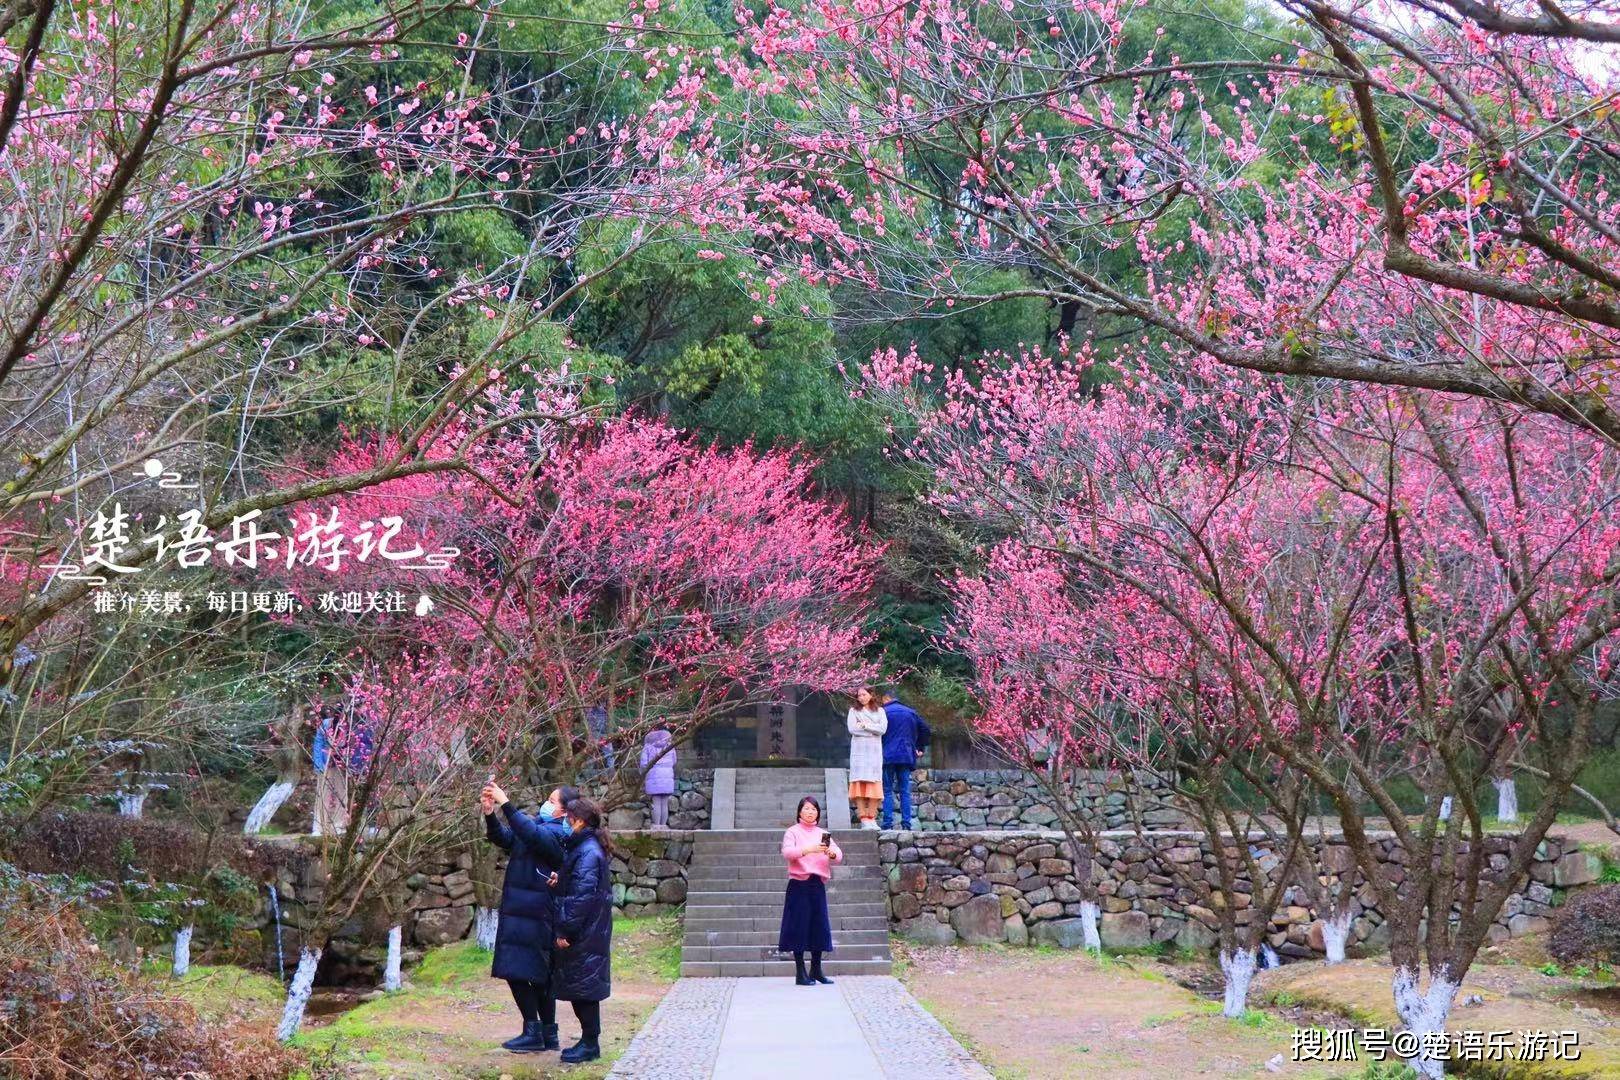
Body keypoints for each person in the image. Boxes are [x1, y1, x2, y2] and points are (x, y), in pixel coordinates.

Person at [481, 780, 572, 1054]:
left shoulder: (559, 834)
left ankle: (533, 1029)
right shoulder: (538, 827)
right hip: (524, 909)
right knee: (535, 973)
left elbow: (530, 835)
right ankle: (547, 1034)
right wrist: (490, 815)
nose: (547, 804)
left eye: (552, 801)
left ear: (565, 811)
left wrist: (505, 803)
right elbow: (507, 838)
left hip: (536, 911)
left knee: (517, 969)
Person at [550, 796, 615, 1064]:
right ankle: (588, 1040)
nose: (564, 822)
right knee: (582, 986)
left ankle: (590, 1043)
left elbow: (582, 897)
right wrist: (560, 880)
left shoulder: (588, 852)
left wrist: (565, 930)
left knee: (584, 987)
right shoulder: (584, 848)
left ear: (578, 821)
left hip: (584, 932)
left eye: (568, 818)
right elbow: (578, 887)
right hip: (589, 930)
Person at [779, 795, 843, 985]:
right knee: (798, 927)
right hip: (799, 884)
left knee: (819, 926)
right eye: (806, 808)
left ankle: (816, 969)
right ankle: (800, 972)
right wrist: (809, 849)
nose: (810, 812)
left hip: (817, 884)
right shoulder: (792, 832)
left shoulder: (823, 833)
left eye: (813, 809)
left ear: (818, 813)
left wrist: (831, 853)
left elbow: (838, 855)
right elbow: (788, 853)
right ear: (799, 811)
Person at [880, 692, 931, 831]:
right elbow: (926, 729)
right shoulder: (911, 712)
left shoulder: (883, 711)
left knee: (887, 790)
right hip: (906, 755)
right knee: (905, 791)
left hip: (887, 756)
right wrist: (920, 747)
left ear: (886, 699)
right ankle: (906, 824)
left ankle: (887, 824)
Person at [846, 687, 887, 830]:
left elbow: (882, 729)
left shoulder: (880, 711)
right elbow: (852, 729)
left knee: (874, 786)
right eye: (859, 695)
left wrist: (865, 725)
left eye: (864, 694)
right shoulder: (854, 711)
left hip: (874, 754)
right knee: (859, 787)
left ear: (871, 695)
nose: (861, 697)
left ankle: (871, 817)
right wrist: (872, 730)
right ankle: (863, 818)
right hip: (859, 753)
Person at [640, 728, 676, 829]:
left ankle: (656, 826)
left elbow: (643, 764)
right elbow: (674, 761)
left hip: (653, 777)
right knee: (664, 803)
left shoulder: (648, 747)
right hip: (667, 777)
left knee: (656, 803)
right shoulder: (670, 747)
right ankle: (663, 825)